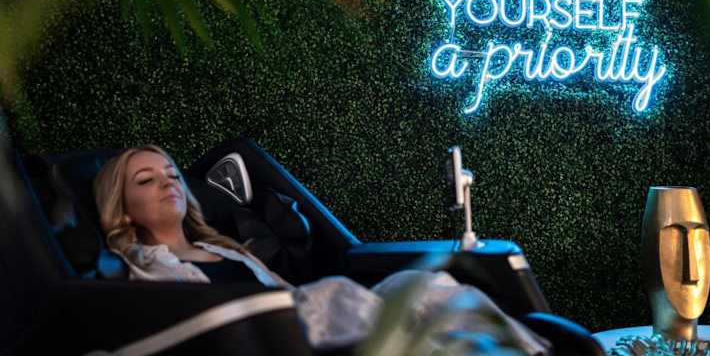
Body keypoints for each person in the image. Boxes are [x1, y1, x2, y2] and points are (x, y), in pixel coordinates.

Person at [93, 145, 551, 355]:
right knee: (339, 291)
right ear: (124, 210)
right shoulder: (140, 268)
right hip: (267, 337)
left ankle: (531, 351)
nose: (167, 183)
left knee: (429, 283)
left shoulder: (226, 250)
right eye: (146, 180)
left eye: (172, 174)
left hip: (300, 319)